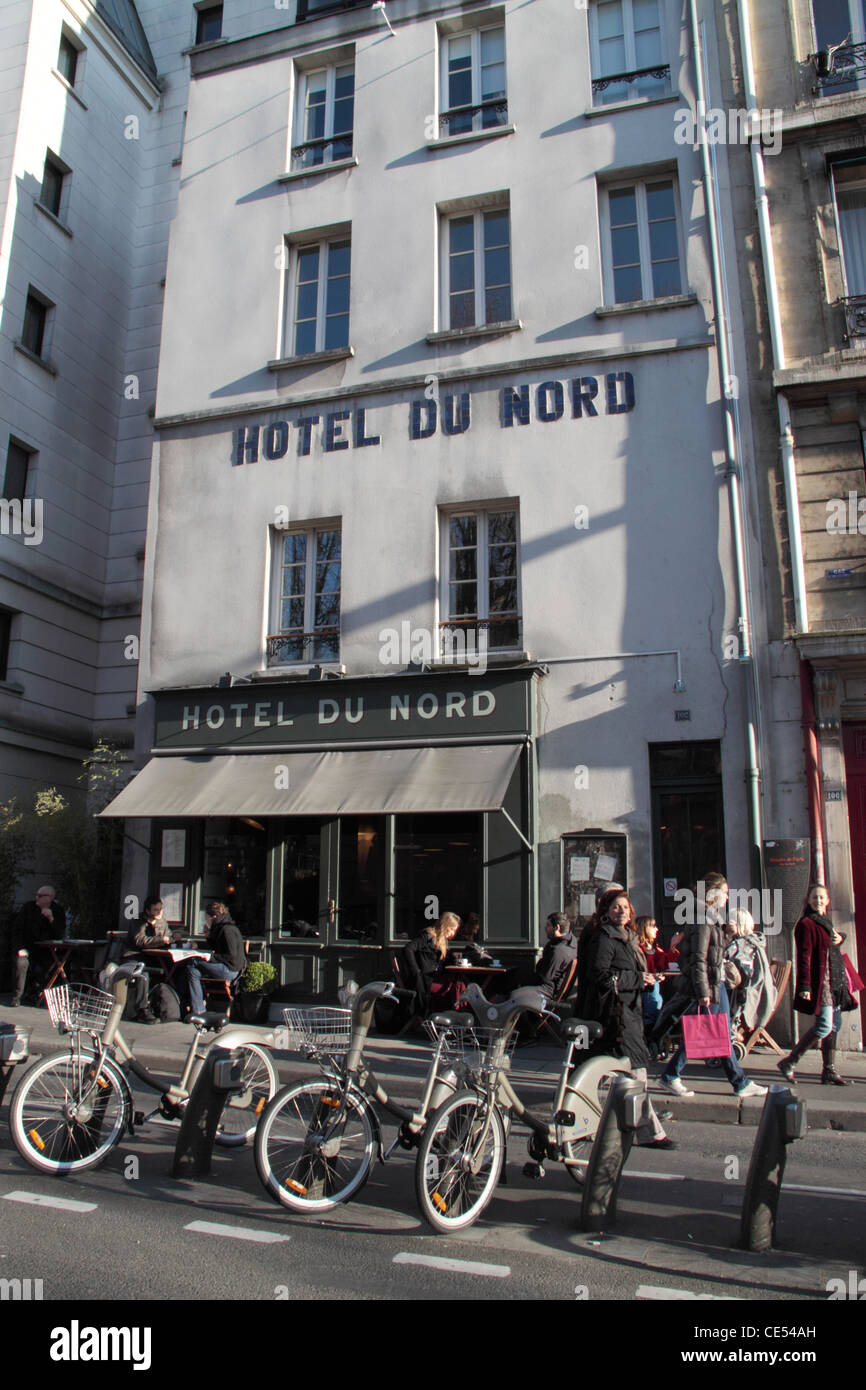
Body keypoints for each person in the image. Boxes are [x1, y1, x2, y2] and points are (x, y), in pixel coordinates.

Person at [580, 889, 676, 1150]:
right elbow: (599, 975)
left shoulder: (629, 937)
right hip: (614, 1015)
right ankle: (648, 1132)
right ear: (606, 911)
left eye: (624, 907)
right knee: (631, 1071)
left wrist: (646, 980)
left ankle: (589, 1123)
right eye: (615, 907)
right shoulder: (604, 938)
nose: (621, 911)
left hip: (628, 1012)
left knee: (623, 1071)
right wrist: (637, 980)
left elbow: (629, 973)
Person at [658, 872, 767, 1099]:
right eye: (724, 893)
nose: (727, 898)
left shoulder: (709, 917)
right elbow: (700, 958)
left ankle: (736, 1082)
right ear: (712, 894)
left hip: (714, 983)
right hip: (711, 985)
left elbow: (713, 951)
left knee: (713, 1033)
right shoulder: (702, 919)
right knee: (714, 1033)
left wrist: (727, 936)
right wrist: (704, 992)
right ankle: (737, 1082)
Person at [778, 884, 853, 1086]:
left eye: (821, 898)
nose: (818, 901)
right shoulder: (806, 924)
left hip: (835, 981)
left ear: (827, 901)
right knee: (824, 1026)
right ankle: (789, 1061)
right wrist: (804, 986)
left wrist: (841, 937)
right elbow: (804, 956)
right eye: (814, 897)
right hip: (822, 983)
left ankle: (829, 1070)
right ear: (808, 900)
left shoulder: (824, 922)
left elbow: (830, 943)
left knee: (835, 1025)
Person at [185, 901, 246, 1018]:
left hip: (230, 970)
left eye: (206, 917)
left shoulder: (227, 930)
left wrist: (211, 957)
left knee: (193, 962)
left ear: (212, 917)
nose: (205, 920)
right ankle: (197, 1009)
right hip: (228, 967)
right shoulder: (221, 927)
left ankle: (197, 1008)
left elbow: (230, 955)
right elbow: (218, 948)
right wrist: (209, 937)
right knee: (192, 971)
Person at [9, 886, 68, 1006]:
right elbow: (17, 930)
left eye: (40, 896)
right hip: (27, 948)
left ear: (50, 898)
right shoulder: (28, 908)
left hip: (47, 951)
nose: (37, 898)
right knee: (22, 962)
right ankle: (17, 997)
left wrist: (51, 919)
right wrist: (20, 948)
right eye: (36, 895)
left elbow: (60, 933)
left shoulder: (57, 910)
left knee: (53, 965)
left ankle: (39, 993)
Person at [122, 897, 177, 1024]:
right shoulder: (138, 922)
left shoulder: (162, 923)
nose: (159, 912)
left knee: (171, 969)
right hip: (134, 956)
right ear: (147, 911)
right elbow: (140, 940)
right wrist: (161, 940)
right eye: (155, 910)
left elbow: (169, 935)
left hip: (153, 958)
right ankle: (142, 1010)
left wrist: (175, 938)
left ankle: (167, 1007)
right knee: (143, 973)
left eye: (160, 909)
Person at [724, 908, 776, 1039]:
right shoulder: (754, 942)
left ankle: (727, 1032)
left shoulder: (740, 945)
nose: (726, 925)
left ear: (740, 924)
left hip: (741, 993)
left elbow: (725, 962)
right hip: (756, 990)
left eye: (730, 922)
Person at [400, 912, 462, 1016]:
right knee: (456, 986)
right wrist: (416, 971)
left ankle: (454, 1016)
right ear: (445, 926)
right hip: (425, 980)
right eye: (452, 930)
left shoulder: (443, 941)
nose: (452, 934)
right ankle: (452, 1016)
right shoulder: (427, 936)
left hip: (433, 976)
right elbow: (408, 949)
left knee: (459, 983)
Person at [635, 915, 680, 1028]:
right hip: (645, 988)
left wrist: (673, 946)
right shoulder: (637, 948)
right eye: (653, 926)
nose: (657, 929)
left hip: (654, 987)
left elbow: (665, 962)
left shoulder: (654, 948)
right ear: (644, 928)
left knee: (656, 1010)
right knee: (650, 1016)